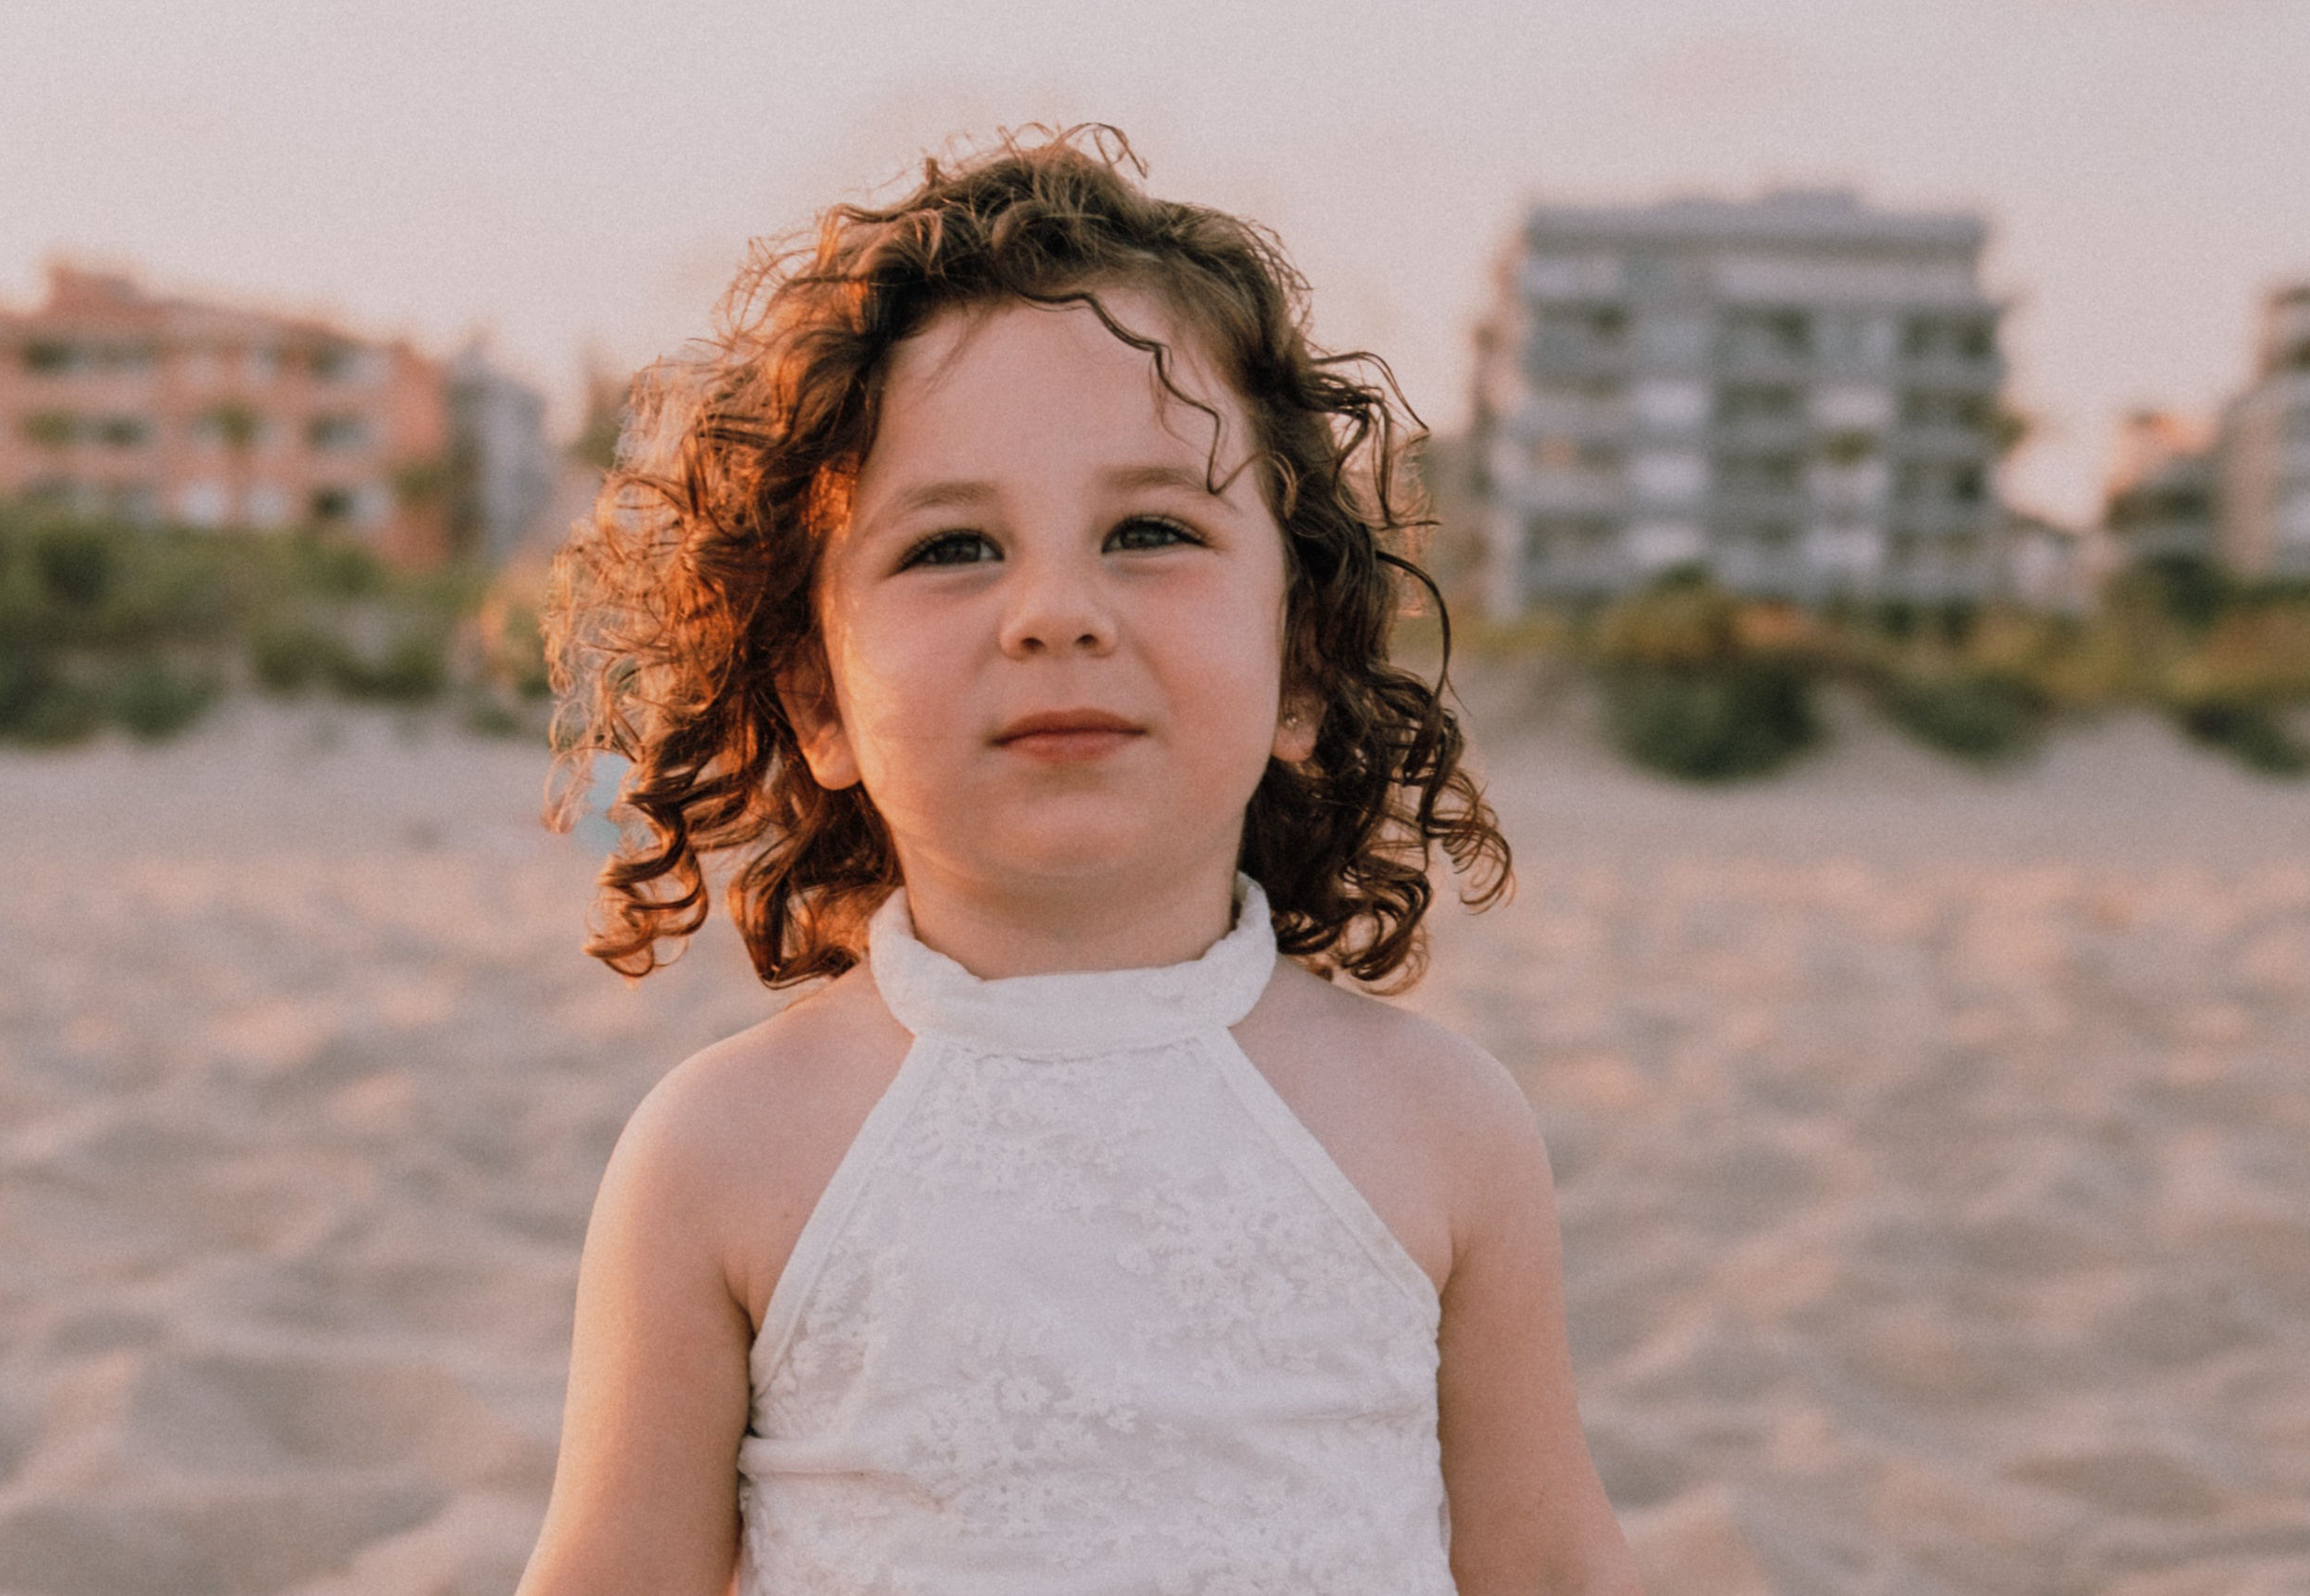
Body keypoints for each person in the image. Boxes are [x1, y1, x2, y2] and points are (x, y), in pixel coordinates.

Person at [518, 127, 1640, 1596]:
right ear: (815, 698)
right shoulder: (719, 1155)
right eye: (952, 548)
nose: (1056, 610)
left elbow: (1553, 1567)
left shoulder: (1441, 1129)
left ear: (1301, 662)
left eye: (1150, 529)